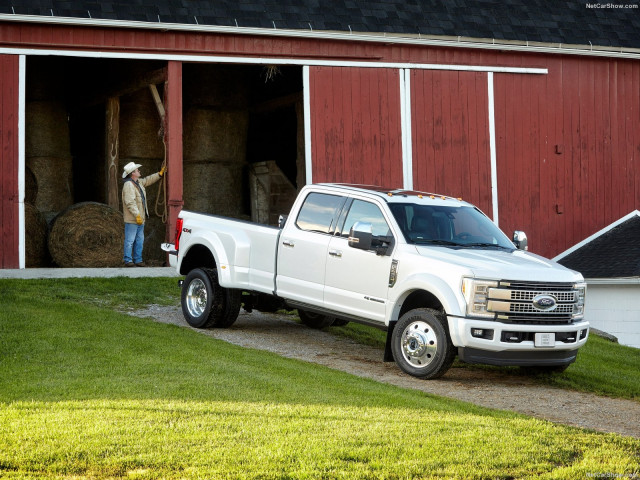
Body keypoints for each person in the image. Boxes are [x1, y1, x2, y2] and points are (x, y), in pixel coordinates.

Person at [121, 161, 166, 267]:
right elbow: (130, 202)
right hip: (133, 219)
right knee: (130, 240)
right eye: (137, 170)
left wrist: (159, 174)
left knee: (139, 240)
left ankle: (138, 260)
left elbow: (148, 180)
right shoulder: (128, 185)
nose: (139, 171)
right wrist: (137, 215)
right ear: (133, 173)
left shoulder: (138, 183)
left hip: (140, 219)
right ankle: (128, 260)